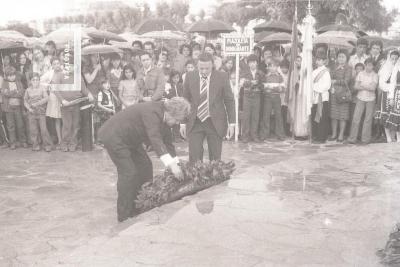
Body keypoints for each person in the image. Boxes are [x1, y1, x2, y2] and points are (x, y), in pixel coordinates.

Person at [98, 97, 190, 222]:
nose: (177, 123)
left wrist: (177, 164)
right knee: (129, 173)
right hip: (115, 136)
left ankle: (140, 204)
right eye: (176, 120)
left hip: (131, 139)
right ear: (170, 113)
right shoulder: (152, 112)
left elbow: (168, 144)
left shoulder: (165, 118)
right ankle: (124, 215)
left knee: (146, 166)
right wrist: (171, 165)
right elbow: (156, 140)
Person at [180, 53, 236, 163]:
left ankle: (215, 179)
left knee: (215, 160)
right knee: (194, 158)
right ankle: (195, 179)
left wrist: (232, 123)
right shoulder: (190, 76)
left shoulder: (222, 77)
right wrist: (182, 122)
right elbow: (185, 100)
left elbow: (229, 101)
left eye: (207, 68)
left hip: (215, 122)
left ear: (212, 66)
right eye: (201, 68)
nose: (204, 71)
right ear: (197, 66)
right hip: (195, 121)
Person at [54, 56, 94, 152]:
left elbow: (84, 89)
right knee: (67, 125)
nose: (70, 68)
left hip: (76, 104)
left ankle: (73, 143)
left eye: (72, 66)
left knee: (75, 125)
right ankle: (64, 143)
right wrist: (62, 100)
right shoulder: (59, 75)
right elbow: (55, 89)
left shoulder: (78, 76)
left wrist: (89, 94)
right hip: (65, 105)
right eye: (68, 66)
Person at [347, 58, 378, 144]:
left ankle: (365, 139)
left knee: (368, 120)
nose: (369, 67)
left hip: (371, 99)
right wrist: (367, 86)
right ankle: (352, 138)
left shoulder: (375, 75)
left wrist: (362, 86)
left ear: (373, 66)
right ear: (365, 64)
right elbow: (356, 86)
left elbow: (373, 88)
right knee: (356, 118)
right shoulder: (360, 73)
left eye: (371, 65)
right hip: (360, 98)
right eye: (367, 64)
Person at [24, 73, 52, 152]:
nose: (35, 81)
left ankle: (47, 145)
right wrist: (29, 108)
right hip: (32, 112)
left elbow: (46, 98)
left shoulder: (42, 89)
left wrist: (37, 104)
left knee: (43, 129)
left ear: (39, 80)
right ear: (30, 81)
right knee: (33, 130)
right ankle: (35, 145)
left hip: (41, 112)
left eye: (37, 80)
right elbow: (25, 101)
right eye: (33, 80)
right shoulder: (28, 90)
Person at [329, 49, 353, 142]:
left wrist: (336, 81)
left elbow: (347, 81)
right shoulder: (334, 66)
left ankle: (341, 135)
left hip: (343, 95)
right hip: (334, 93)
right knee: (334, 115)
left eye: (343, 57)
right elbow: (330, 77)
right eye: (339, 56)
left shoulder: (348, 68)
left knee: (343, 116)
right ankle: (334, 134)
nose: (341, 59)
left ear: (346, 58)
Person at [1, 66, 27, 149]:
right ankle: (13, 142)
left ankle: (23, 141)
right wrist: (15, 92)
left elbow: (21, 93)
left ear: (15, 75)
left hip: (18, 107)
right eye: (9, 75)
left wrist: (11, 93)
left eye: (12, 75)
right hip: (8, 108)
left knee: (20, 125)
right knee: (10, 126)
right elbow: (5, 93)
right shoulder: (4, 83)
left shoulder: (18, 82)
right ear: (6, 76)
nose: (11, 77)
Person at [239, 54, 264, 143]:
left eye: (254, 62)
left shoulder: (260, 73)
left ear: (257, 63)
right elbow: (241, 83)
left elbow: (263, 85)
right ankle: (245, 135)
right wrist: (250, 83)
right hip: (247, 96)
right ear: (248, 63)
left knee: (255, 116)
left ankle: (254, 135)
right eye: (250, 62)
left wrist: (258, 84)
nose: (252, 64)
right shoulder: (244, 72)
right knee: (246, 116)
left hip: (257, 96)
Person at [376, 50, 400, 142]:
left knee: (395, 116)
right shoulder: (385, 68)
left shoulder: (398, 67)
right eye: (392, 59)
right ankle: (388, 137)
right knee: (386, 115)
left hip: (397, 94)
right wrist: (392, 89)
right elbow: (382, 84)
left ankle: (394, 136)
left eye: (396, 59)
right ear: (389, 58)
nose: (394, 61)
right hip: (386, 94)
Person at [260, 58, 285, 140]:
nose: (272, 68)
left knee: (278, 116)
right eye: (270, 66)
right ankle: (264, 134)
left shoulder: (280, 77)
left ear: (277, 67)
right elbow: (264, 88)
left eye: (274, 66)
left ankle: (280, 134)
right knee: (266, 116)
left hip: (277, 98)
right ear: (268, 67)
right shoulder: (265, 77)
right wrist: (275, 88)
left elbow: (282, 89)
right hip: (268, 98)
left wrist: (272, 88)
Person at [311, 55, 332, 144]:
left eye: (320, 60)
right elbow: (311, 82)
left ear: (324, 61)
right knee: (315, 116)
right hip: (315, 97)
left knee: (322, 117)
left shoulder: (326, 72)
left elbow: (327, 85)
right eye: (317, 60)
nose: (318, 61)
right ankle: (315, 135)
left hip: (322, 97)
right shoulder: (314, 71)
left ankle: (321, 137)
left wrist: (315, 88)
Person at [43, 58, 63, 148]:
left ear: (60, 63)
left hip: (63, 96)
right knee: (57, 119)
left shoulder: (64, 72)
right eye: (54, 64)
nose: (56, 65)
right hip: (54, 97)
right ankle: (60, 140)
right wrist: (49, 85)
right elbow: (40, 81)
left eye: (58, 63)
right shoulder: (50, 73)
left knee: (65, 119)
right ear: (52, 65)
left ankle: (66, 139)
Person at [383, 52, 400, 142]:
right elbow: (392, 83)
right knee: (393, 115)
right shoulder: (396, 68)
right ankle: (390, 136)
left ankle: (397, 137)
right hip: (397, 93)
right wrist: (391, 97)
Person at [278, 59, 290, 136]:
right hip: (280, 98)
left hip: (287, 99)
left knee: (286, 115)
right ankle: (280, 131)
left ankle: (287, 130)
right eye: (282, 67)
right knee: (280, 115)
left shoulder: (290, 75)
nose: (284, 69)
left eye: (286, 68)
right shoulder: (278, 75)